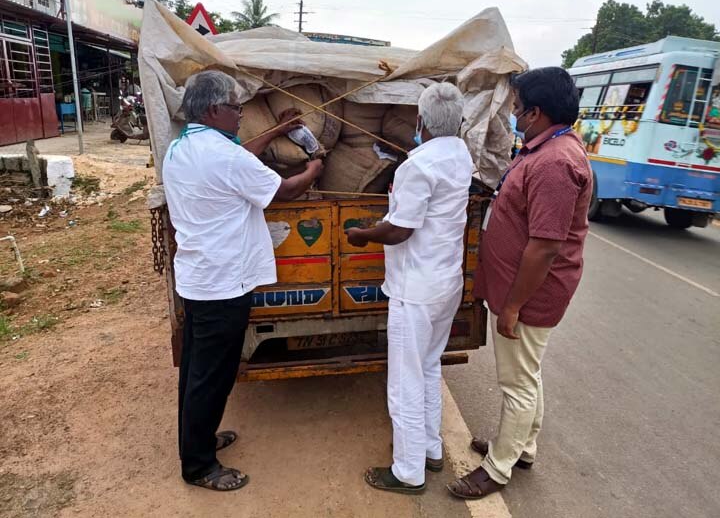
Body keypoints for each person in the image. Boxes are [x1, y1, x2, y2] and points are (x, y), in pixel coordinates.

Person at [163, 70, 324, 492]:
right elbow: (284, 190)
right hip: (223, 284)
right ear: (215, 109)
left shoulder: (183, 146)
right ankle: (198, 466)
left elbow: (239, 161)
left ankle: (197, 439)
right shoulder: (224, 156)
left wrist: (275, 132)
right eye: (235, 108)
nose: (239, 115)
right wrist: (314, 168)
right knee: (212, 375)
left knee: (197, 372)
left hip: (200, 279)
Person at [446, 67, 592, 499]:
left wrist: (512, 306)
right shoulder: (543, 149)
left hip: (528, 294)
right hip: (520, 288)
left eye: (516, 107)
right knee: (527, 373)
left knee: (517, 382)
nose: (512, 112)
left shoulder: (555, 163)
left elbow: (545, 247)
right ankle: (522, 447)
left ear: (537, 112)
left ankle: (497, 467)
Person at [345, 82, 474, 494]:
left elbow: (400, 230)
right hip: (446, 283)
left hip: (416, 288)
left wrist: (362, 235)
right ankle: (431, 450)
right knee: (429, 366)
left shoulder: (416, 167)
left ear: (419, 122)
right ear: (460, 123)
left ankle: (408, 472)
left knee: (404, 380)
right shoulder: (461, 156)